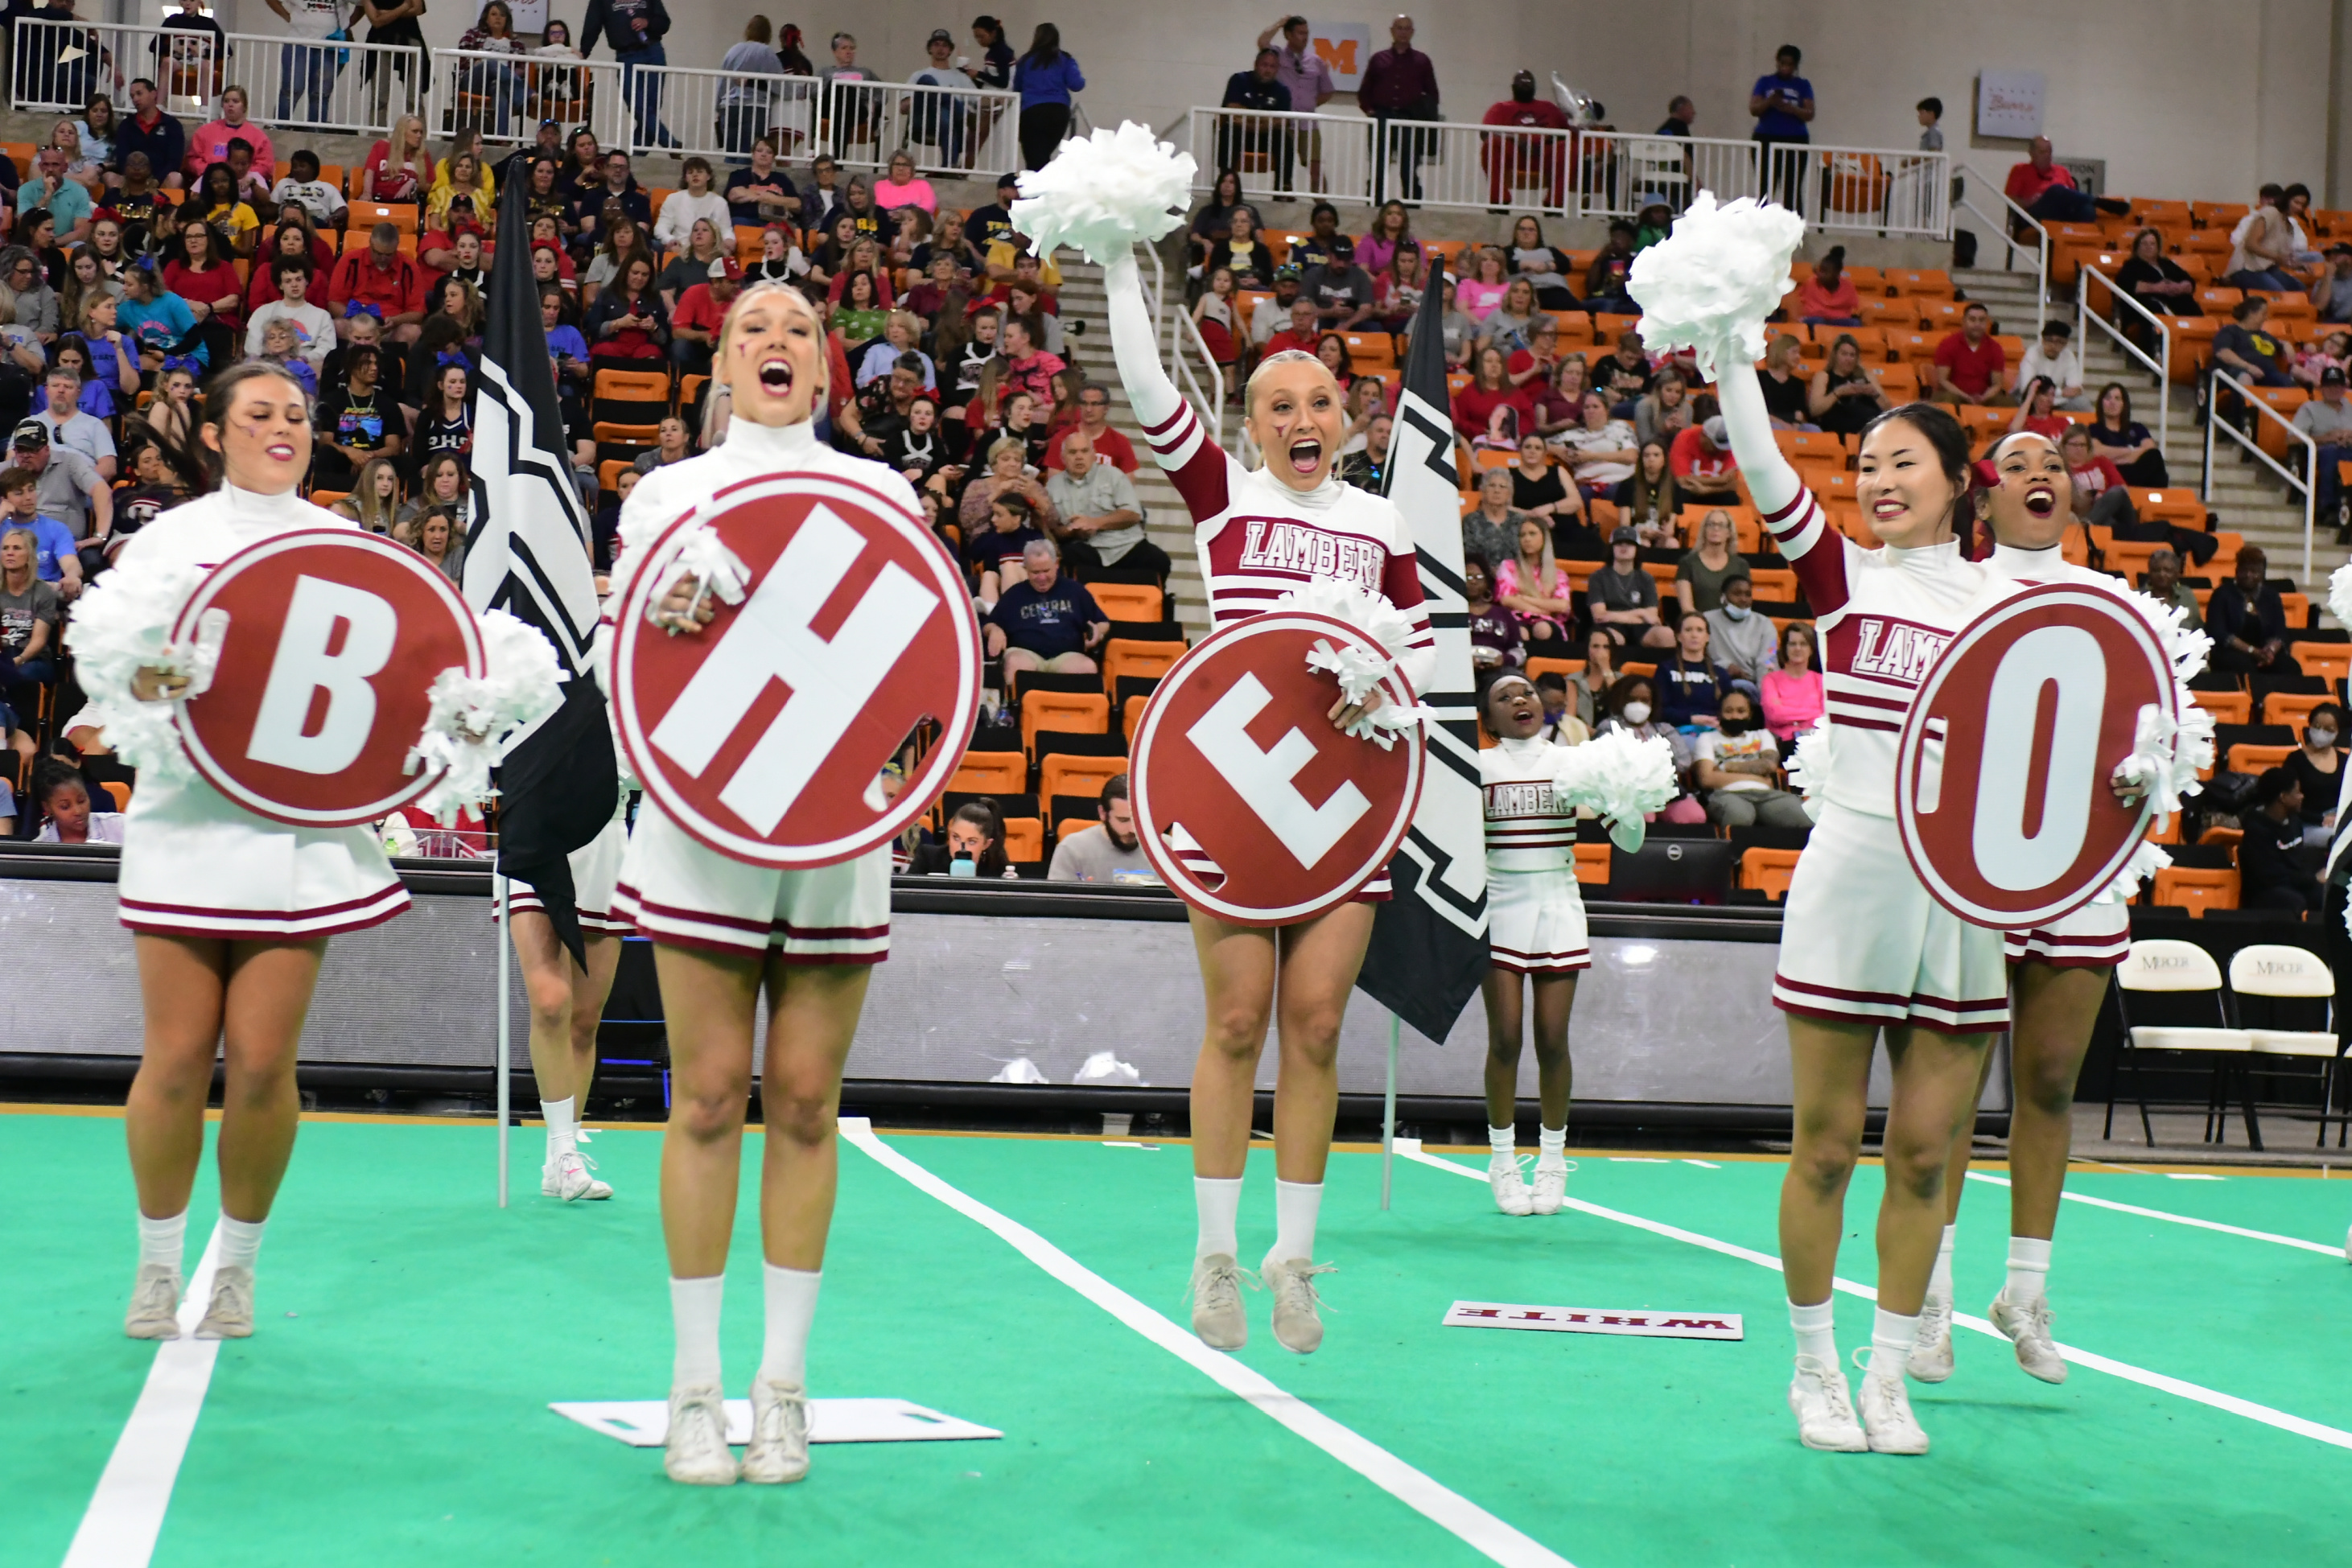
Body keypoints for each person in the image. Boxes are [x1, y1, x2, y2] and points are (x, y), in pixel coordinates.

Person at [605, 279, 913, 1486]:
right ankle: (692, 1388)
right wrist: (665, 612)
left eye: (796, 327)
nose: (775, 340)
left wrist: (900, 757)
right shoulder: (664, 497)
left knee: (800, 1101)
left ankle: (781, 1385)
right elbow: (628, 658)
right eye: (751, 328)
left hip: (837, 829)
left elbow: (911, 666)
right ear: (719, 365)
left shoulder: (879, 492)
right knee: (704, 1095)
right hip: (703, 820)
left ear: (826, 367)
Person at [1106, 227, 1432, 1357]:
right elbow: (1148, 385)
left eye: (1321, 401)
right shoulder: (1221, 502)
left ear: (1348, 420)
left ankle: (1293, 1260)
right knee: (1236, 1018)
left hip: (1344, 805)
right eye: (1278, 403)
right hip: (1235, 798)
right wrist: (1112, 257)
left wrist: (1377, 691)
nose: (1302, 419)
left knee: (1317, 1019)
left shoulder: (1383, 525)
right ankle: (1212, 1255)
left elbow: (1421, 660)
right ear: (1250, 426)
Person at [93, 360, 410, 1350]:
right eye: (261, 413)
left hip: (296, 828)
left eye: (298, 416)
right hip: (187, 817)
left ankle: (234, 1267)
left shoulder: (343, 539)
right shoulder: (169, 541)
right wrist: (151, 677)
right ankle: (155, 1265)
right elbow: (113, 678)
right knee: (178, 1054)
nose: (283, 427)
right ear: (219, 433)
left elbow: (394, 677)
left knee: (267, 1060)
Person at [1476, 669, 1605, 1216]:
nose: (1519, 700)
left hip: (1557, 901)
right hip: (1499, 903)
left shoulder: (1572, 761)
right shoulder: (1478, 769)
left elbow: (1627, 836)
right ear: (1488, 717)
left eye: (1524, 691)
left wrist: (1624, 808)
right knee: (1504, 1038)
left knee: (1553, 1039)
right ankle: (1502, 1162)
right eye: (1504, 697)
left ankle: (1552, 1161)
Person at [1045, 429, 1160, 582]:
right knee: (1063, 557)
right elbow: (1054, 530)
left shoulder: (1114, 475)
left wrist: (1095, 523)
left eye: (1084, 451)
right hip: (1085, 547)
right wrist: (1071, 531)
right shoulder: (1053, 486)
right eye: (1072, 452)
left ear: (1094, 455)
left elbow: (1133, 514)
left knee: (1161, 560)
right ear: (1063, 458)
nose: (1079, 457)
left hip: (1124, 545)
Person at [1695, 688, 1809, 829]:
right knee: (1739, 815)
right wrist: (1758, 778)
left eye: (1741, 711)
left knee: (1804, 815)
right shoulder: (1707, 738)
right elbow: (1706, 779)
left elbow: (1769, 765)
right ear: (1719, 714)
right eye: (1728, 711)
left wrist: (1726, 767)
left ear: (1749, 714)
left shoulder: (1762, 735)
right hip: (1727, 795)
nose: (1735, 716)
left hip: (1768, 795)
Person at [1358, 14, 1439, 205]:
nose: (1403, 32)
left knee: (1409, 168)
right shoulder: (1379, 59)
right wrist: (1371, 112)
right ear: (1392, 31)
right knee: (1378, 166)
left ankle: (1412, 209)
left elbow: (1432, 94)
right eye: (1399, 28)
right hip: (1382, 116)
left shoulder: (1422, 61)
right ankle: (1375, 206)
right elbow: (1365, 91)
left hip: (1409, 119)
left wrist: (1422, 117)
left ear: (1412, 32)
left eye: (1406, 28)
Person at [1258, 14, 1335, 194]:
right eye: (1300, 33)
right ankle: (1284, 197)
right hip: (1284, 123)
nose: (1305, 37)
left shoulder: (1316, 61)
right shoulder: (1276, 55)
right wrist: (1279, 23)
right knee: (1285, 166)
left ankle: (1322, 206)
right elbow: (1262, 41)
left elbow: (1327, 91)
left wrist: (1309, 104)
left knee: (1315, 167)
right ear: (1289, 35)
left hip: (1308, 124)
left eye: (1306, 33)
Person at [1480, 71, 1569, 212]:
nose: (1525, 84)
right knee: (1491, 145)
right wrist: (1516, 139)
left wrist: (1547, 141)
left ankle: (1555, 204)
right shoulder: (1501, 108)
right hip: (1515, 156)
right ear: (1513, 87)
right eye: (1521, 81)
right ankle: (1499, 201)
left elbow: (1567, 132)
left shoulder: (1549, 107)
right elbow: (1485, 133)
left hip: (1544, 156)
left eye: (1528, 82)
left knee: (1568, 148)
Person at [2239, 768, 2323, 912]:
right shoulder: (2257, 831)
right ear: (2283, 797)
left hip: (2293, 884)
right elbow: (2271, 877)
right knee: (2294, 901)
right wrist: (2312, 879)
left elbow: (2299, 864)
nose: (2302, 796)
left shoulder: (2294, 822)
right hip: (2267, 892)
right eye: (2297, 792)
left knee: (2329, 894)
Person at [2002, 136, 2128, 225]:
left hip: (2061, 214)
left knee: (2087, 209)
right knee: (2055, 190)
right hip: (2033, 214)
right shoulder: (2020, 169)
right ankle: (2097, 201)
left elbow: (2073, 197)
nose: (2047, 155)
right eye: (2042, 152)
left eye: (2049, 151)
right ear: (2031, 153)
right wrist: (2027, 202)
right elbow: (2010, 199)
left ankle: (2078, 254)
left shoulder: (2062, 171)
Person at [1589, 525, 1675, 650]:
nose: (1624, 547)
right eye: (1619, 543)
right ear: (1612, 548)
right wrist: (1640, 613)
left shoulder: (1646, 578)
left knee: (1666, 634)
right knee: (1609, 638)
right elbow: (1600, 616)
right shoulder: (1598, 577)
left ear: (1637, 549)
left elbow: (1652, 617)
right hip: (1611, 625)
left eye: (1629, 544)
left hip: (1640, 628)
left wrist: (1614, 615)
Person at [1748, 46, 1814, 209]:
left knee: (1792, 187)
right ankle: (1762, 222)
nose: (1785, 68)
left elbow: (1810, 113)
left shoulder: (1802, 85)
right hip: (1766, 136)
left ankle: (1793, 224)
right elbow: (1754, 109)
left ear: (1795, 66)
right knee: (1765, 185)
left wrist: (1792, 109)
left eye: (1790, 64)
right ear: (1777, 63)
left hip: (1794, 138)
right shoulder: (1765, 82)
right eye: (1782, 63)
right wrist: (1770, 101)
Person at [1011, 24, 1084, 171]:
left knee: (1035, 158)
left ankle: (1035, 189)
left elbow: (1017, 87)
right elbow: (1077, 84)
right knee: (1043, 156)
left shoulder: (1025, 60)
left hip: (1032, 112)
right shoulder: (1065, 59)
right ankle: (1042, 186)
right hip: (1059, 112)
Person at [1495, 512, 1571, 648]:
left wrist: (1526, 599)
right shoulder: (1508, 566)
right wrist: (1544, 610)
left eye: (1532, 534)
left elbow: (1562, 606)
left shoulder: (1558, 574)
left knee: (1542, 629)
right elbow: (1507, 600)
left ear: (1544, 538)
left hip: (1547, 624)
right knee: (1521, 632)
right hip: (1516, 618)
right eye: (1522, 535)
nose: (1527, 539)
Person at [2208, 546, 2288, 673]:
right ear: (2236, 570)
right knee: (2245, 667)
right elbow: (2219, 633)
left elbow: (2280, 632)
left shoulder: (2271, 597)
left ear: (2263, 574)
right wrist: (2252, 651)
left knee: (2289, 667)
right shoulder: (2222, 594)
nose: (2248, 575)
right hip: (2231, 652)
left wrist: (2271, 651)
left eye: (2254, 571)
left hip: (2264, 651)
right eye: (2243, 570)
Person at [2295, 367, 2352, 530]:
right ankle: (2327, 507)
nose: (2334, 390)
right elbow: (2292, 438)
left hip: (2349, 449)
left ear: (2344, 388)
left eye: (2338, 386)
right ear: (2321, 388)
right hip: (2322, 451)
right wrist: (2328, 437)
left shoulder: (2351, 408)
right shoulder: (2310, 408)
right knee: (2331, 453)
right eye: (2329, 386)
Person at [1706, 574, 1777, 695]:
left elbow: (1767, 662)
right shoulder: (1706, 620)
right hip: (1714, 680)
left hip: (1753, 685)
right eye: (1737, 594)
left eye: (1748, 595)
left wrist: (1764, 696)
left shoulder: (1764, 624)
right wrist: (1723, 667)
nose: (1743, 599)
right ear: (1723, 597)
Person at [1809, 333, 1890, 438]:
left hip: (1872, 424)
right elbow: (1815, 410)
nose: (1848, 359)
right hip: (1841, 427)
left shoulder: (1866, 375)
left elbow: (1887, 408)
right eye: (1844, 354)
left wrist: (1874, 393)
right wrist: (1839, 392)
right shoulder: (1824, 376)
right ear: (1835, 355)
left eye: (1852, 355)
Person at [1930, 301, 2008, 407]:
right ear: (1963, 321)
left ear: (1987, 323)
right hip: (1954, 395)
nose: (1977, 324)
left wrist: (1983, 398)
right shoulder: (1948, 344)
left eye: (1982, 320)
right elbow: (1943, 381)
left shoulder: (1995, 348)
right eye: (1972, 320)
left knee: (2007, 403)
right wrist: (1966, 397)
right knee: (1947, 400)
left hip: (1983, 398)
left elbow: (1997, 384)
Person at [31, 756, 124, 843]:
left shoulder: (121, 826)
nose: (78, 811)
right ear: (47, 808)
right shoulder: (42, 846)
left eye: (82, 801)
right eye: (65, 807)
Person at [1760, 620, 1823, 744]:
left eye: (1803, 644)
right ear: (1785, 648)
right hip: (1781, 742)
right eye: (1792, 644)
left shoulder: (1820, 680)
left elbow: (1824, 717)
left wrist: (1791, 718)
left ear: (1811, 649)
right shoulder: (1770, 680)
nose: (1798, 648)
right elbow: (1775, 715)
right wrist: (1810, 715)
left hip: (1814, 741)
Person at [1675, 507, 1747, 615]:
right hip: (1699, 626)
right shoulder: (1688, 563)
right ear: (1704, 530)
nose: (1716, 529)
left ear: (1729, 532)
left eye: (1721, 525)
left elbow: (1743, 605)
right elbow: (1687, 609)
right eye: (1711, 524)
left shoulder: (1741, 565)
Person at [1657, 611, 1721, 728]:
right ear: (1679, 636)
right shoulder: (1665, 669)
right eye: (1688, 630)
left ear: (1707, 637)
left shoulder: (1720, 673)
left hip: (1714, 730)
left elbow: (1729, 707)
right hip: (1677, 730)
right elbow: (1659, 709)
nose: (1694, 635)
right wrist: (1691, 719)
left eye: (1699, 630)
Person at [2014, 320, 2087, 410]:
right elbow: (2027, 389)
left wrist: (2051, 394)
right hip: (2029, 399)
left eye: (2059, 342)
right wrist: (2061, 392)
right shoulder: (2032, 353)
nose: (2053, 346)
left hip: (2056, 400)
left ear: (2066, 343)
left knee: (2082, 403)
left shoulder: (2068, 356)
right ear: (2042, 340)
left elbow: (2076, 389)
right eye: (2049, 340)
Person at [1670, 414, 1740, 501]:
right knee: (1679, 493)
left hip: (1715, 493)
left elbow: (1732, 485)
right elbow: (1681, 480)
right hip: (1690, 491)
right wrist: (1721, 480)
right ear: (1704, 436)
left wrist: (1707, 490)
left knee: (1732, 497)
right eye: (1715, 445)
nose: (1720, 450)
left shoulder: (1730, 446)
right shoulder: (1685, 438)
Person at [1795, 247, 1861, 325]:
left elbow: (1853, 308)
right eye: (1821, 270)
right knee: (1818, 322)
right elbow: (1800, 302)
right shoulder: (1811, 282)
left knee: (1855, 323)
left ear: (1837, 273)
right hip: (1816, 320)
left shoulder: (1848, 287)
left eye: (1825, 272)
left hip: (1838, 321)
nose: (1821, 275)